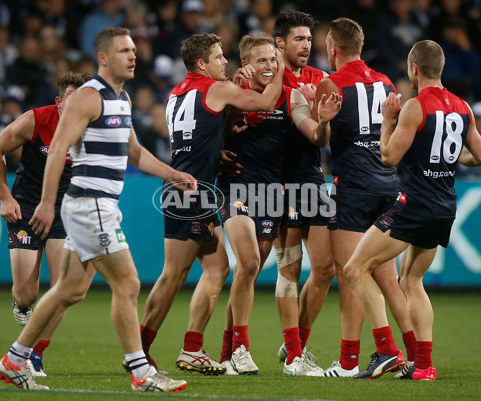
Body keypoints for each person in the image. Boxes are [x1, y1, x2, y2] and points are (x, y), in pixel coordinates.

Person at [0, 27, 193, 392]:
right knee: (128, 282)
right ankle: (141, 373)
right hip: (90, 205)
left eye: (134, 49)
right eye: (124, 51)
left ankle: (14, 360)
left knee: (69, 290)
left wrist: (172, 174)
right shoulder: (86, 98)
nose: (133, 56)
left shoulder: (122, 99)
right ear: (103, 57)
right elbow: (57, 150)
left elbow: (133, 151)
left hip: (99, 205)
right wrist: (45, 204)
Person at [137, 32, 285, 376]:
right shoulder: (214, 89)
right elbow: (265, 103)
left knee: (218, 269)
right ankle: (139, 351)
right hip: (190, 191)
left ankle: (192, 348)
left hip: (188, 187)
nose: (225, 62)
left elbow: (205, 133)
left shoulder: (176, 93)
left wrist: (219, 148)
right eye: (219, 57)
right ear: (202, 63)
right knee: (173, 275)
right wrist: (280, 65)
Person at [344, 39, 481, 380]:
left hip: (414, 207)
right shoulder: (462, 106)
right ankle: (423, 366)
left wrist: (387, 120)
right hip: (444, 208)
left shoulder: (414, 106)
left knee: (355, 269)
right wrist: (449, 158)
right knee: (411, 280)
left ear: (414, 70)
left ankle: (386, 351)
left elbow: (388, 157)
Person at [217, 33, 341, 376]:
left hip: (273, 193)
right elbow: (208, 134)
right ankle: (239, 348)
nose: (270, 65)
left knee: (258, 269)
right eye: (262, 60)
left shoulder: (290, 95)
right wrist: (217, 152)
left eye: (273, 59)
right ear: (246, 65)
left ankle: (237, 353)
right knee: (248, 265)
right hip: (239, 187)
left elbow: (313, 132)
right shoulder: (233, 92)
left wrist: (322, 118)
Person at [305, 17, 416, 379]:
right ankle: (416, 357)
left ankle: (354, 359)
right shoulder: (384, 82)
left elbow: (321, 140)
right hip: (387, 184)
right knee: (386, 277)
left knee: (350, 273)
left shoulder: (330, 82)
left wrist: (318, 118)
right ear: (361, 46)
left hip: (352, 187)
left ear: (332, 49)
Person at [0, 71, 91, 377]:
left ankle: (34, 354)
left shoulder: (92, 127)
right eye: (72, 99)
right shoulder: (36, 120)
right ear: (59, 101)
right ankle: (22, 305)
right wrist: (5, 197)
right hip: (28, 209)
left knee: (62, 287)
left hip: (65, 212)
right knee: (27, 294)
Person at [269, 9, 336, 373]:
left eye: (309, 39)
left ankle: (296, 344)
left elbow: (326, 131)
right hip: (278, 184)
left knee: (325, 268)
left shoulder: (320, 79)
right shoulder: (266, 78)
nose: (306, 45)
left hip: (312, 178)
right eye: (299, 38)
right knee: (289, 270)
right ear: (280, 43)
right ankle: (294, 355)